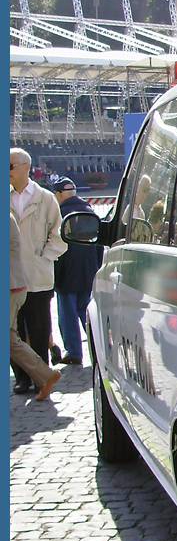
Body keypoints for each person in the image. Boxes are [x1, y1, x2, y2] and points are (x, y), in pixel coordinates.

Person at [10, 148, 67, 395]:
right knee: (15, 331)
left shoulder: (45, 198)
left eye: (10, 166)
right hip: (12, 277)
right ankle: (22, 377)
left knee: (39, 328)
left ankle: (41, 375)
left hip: (37, 275)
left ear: (26, 167)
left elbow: (59, 234)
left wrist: (44, 258)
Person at [52, 178, 104, 365]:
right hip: (88, 271)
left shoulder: (59, 214)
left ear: (58, 195)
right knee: (86, 312)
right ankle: (99, 349)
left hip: (66, 273)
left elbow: (55, 246)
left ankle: (74, 352)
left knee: (68, 314)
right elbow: (100, 244)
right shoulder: (90, 211)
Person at [10, 212, 61, 400]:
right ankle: (44, 376)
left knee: (10, 339)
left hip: (12, 287)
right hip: (13, 286)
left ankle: (45, 375)